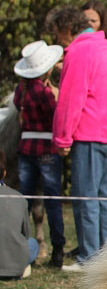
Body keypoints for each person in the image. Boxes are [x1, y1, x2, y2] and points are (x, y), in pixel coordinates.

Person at [46, 5, 107, 272]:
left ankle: (90, 257)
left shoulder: (79, 51)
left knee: (86, 198)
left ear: (67, 29)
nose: (59, 41)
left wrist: (61, 139)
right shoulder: (106, 46)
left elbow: (70, 100)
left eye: (58, 35)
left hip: (92, 133)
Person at [12, 40, 66, 268]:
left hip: (26, 148)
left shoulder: (20, 91)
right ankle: (57, 250)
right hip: (47, 150)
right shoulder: (45, 93)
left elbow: (16, 108)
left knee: (25, 199)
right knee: (52, 201)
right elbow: (56, 115)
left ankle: (22, 246)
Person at [0, 150, 38, 280]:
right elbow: (26, 234)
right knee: (33, 243)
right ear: (4, 173)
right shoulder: (19, 197)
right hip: (14, 267)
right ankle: (22, 268)